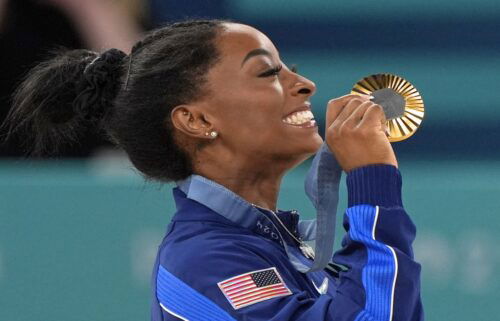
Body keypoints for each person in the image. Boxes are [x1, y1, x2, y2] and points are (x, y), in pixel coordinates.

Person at [3, 20, 423, 320]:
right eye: (268, 72)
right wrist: (373, 184)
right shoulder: (205, 261)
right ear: (197, 121)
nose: (304, 84)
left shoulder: (274, 245)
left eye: (288, 66)